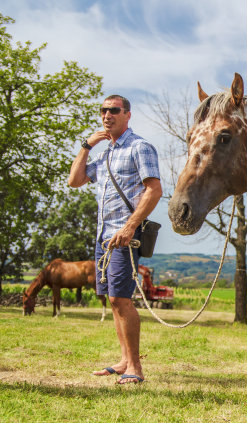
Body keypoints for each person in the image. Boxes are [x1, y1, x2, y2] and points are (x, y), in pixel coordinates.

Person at [68, 94, 162, 384]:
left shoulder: (140, 147)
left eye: (114, 110)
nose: (107, 115)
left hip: (124, 238)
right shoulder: (105, 153)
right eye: (103, 110)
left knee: (122, 299)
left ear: (127, 115)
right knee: (112, 299)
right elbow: (76, 180)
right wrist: (86, 146)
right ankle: (123, 361)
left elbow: (154, 189)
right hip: (104, 238)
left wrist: (130, 226)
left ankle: (135, 367)